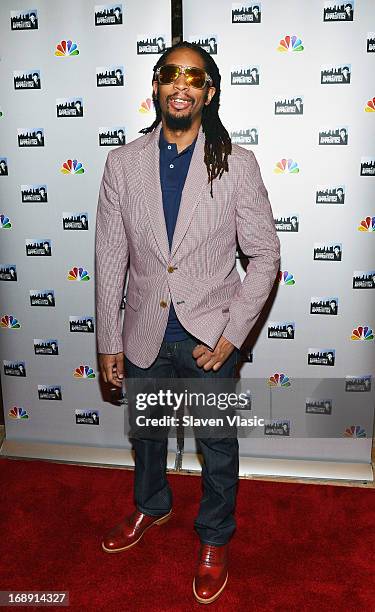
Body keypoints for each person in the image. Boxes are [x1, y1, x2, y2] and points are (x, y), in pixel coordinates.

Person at [95, 41, 280, 605]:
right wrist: (108, 338)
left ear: (209, 91)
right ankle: (151, 504)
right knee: (146, 438)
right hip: (144, 335)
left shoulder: (235, 161)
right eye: (170, 74)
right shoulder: (122, 163)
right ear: (156, 86)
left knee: (217, 446)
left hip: (208, 340)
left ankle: (214, 537)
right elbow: (109, 256)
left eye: (193, 77)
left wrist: (230, 337)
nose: (181, 85)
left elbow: (265, 255)